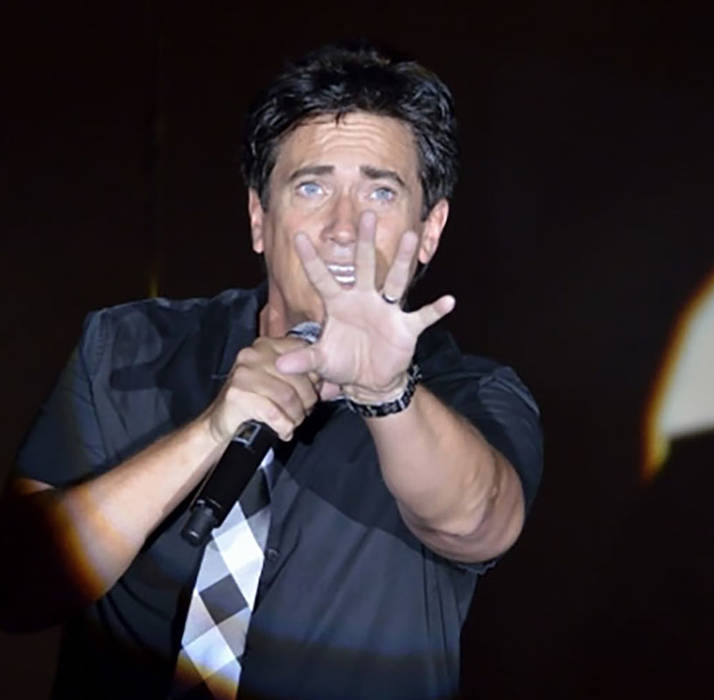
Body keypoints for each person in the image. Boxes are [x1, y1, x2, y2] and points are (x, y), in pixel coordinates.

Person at [0, 40, 542, 700]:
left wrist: (387, 392)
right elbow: (18, 585)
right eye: (312, 186)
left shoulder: (474, 394)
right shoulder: (125, 348)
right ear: (260, 216)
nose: (344, 227)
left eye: (380, 190)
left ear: (429, 230)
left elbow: (477, 522)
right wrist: (209, 432)